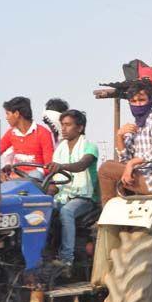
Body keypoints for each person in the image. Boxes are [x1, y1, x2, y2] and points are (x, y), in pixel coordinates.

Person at [98, 80, 152, 205]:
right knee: (109, 165)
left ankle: (108, 211)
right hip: (139, 174)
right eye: (133, 101)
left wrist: (132, 164)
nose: (138, 104)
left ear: (150, 101)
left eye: (141, 100)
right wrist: (119, 136)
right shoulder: (136, 126)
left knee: (105, 169)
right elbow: (125, 159)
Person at [46, 109, 100, 270]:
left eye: (68, 125)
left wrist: (61, 166)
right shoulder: (60, 149)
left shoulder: (90, 147)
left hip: (85, 198)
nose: (63, 128)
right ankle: (45, 255)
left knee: (66, 212)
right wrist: (44, 197)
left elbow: (82, 165)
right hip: (63, 196)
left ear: (80, 127)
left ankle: (66, 259)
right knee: (42, 209)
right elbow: (55, 181)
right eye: (62, 125)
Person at [0, 96, 55, 178]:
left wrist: (26, 176)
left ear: (17, 114)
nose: (6, 118)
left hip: (36, 179)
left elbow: (49, 165)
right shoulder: (11, 133)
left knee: (35, 175)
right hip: (16, 177)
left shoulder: (43, 133)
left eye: (8, 114)